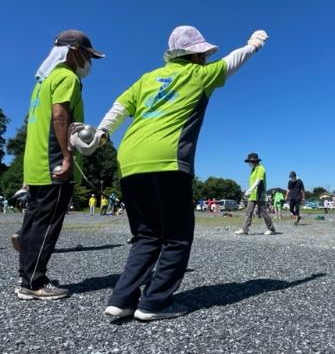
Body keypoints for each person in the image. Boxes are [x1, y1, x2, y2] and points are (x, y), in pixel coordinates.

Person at [72, 26, 269, 320]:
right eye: (203, 53)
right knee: (176, 236)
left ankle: (122, 298)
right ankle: (154, 303)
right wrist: (254, 45)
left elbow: (119, 107)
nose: (206, 57)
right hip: (168, 159)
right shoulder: (199, 75)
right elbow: (232, 61)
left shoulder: (146, 79)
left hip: (130, 159)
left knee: (146, 235)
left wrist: (101, 134)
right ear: (195, 54)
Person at [15, 30, 104, 300]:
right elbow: (59, 116)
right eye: (88, 55)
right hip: (53, 161)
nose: (90, 61)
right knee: (47, 224)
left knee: (33, 221)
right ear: (74, 51)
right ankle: (35, 283)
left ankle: (27, 277)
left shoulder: (43, 81)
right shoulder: (67, 76)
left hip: (35, 160)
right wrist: (67, 157)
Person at [235, 153, 276, 235]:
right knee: (248, 212)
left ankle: (272, 229)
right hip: (252, 195)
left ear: (253, 161)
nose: (248, 164)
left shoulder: (260, 168)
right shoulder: (253, 170)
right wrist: (249, 191)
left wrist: (250, 190)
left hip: (260, 194)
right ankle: (244, 229)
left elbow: (258, 180)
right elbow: (253, 182)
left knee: (263, 212)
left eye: (249, 162)